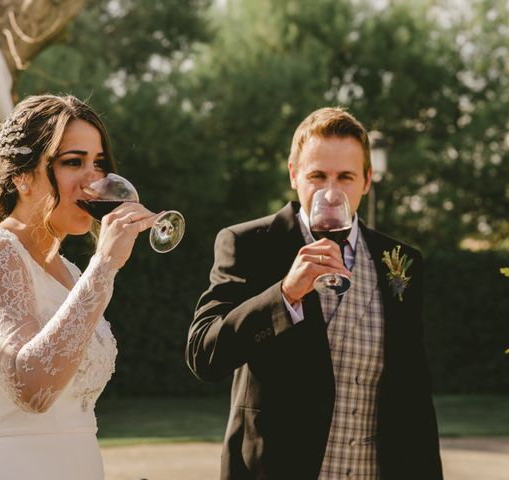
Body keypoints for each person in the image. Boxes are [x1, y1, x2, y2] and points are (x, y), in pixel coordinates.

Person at [186, 107, 443, 479]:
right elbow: (203, 354)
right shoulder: (248, 245)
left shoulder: (401, 261)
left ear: (367, 180)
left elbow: (414, 394)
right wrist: (285, 294)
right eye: (318, 176)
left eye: (346, 177)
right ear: (294, 174)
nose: (331, 193)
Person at [0, 94, 157, 480]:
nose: (93, 180)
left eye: (99, 164)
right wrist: (105, 265)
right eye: (73, 162)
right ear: (21, 175)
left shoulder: (72, 273)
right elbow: (32, 388)